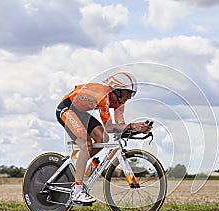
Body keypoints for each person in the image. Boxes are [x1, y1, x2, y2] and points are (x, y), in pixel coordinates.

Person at [56, 72, 152, 203]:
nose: (129, 97)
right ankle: (77, 192)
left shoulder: (119, 102)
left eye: (132, 94)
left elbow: (119, 127)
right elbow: (109, 127)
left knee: (103, 139)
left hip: (80, 112)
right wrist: (132, 126)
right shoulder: (103, 96)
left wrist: (137, 129)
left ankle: (79, 162)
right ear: (117, 90)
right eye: (128, 92)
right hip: (66, 110)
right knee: (86, 144)